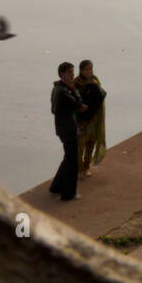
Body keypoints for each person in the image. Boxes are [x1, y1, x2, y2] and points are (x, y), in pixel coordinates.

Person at [49, 63, 86, 201]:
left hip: (64, 128)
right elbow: (79, 104)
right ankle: (68, 194)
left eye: (72, 72)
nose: (72, 75)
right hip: (68, 129)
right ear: (62, 74)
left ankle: (56, 186)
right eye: (69, 72)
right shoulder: (63, 92)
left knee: (68, 157)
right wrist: (73, 89)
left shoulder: (59, 88)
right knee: (72, 161)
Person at [75, 59, 107, 177]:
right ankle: (79, 169)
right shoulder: (77, 82)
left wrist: (95, 85)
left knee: (90, 145)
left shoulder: (95, 80)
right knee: (80, 147)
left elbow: (101, 97)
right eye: (86, 69)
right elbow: (75, 100)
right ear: (81, 70)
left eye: (91, 69)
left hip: (94, 119)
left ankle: (86, 167)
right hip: (82, 120)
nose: (89, 71)